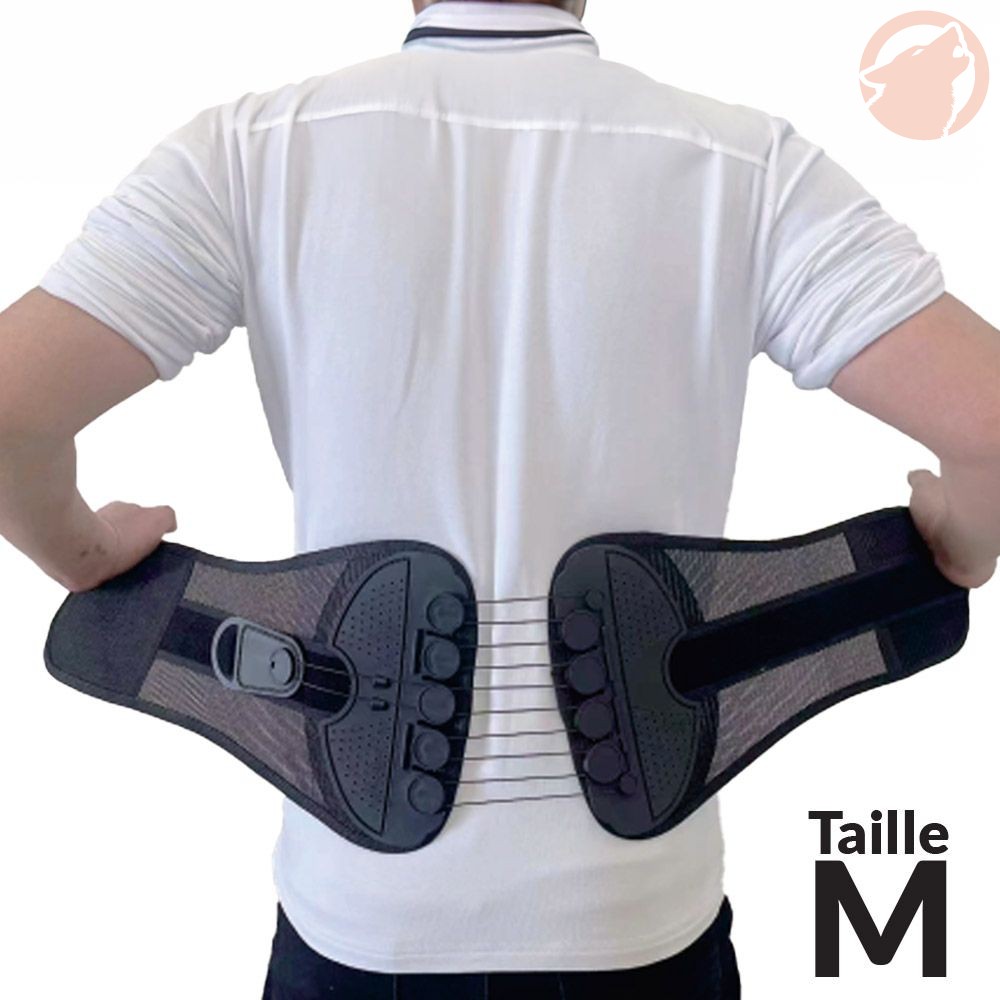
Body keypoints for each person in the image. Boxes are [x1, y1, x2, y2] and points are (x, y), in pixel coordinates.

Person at [0, 1, 997, 997]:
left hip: (362, 912)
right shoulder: (742, 164)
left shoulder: (252, 152)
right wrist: (961, 541)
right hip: (633, 916)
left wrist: (83, 552)